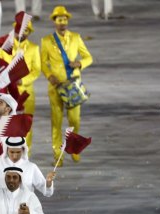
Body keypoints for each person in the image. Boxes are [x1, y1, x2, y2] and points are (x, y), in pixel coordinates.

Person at [40, 6, 93, 166]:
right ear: (54, 21)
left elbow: (88, 57)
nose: (62, 22)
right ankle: (58, 154)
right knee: (56, 121)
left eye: (64, 19)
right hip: (56, 87)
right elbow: (43, 62)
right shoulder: (47, 41)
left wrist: (79, 63)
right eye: (59, 19)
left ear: (67, 21)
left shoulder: (76, 38)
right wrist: (49, 76)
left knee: (74, 120)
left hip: (72, 87)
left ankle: (74, 148)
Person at [0, 12, 41, 151]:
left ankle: (26, 152)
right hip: (7, 93)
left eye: (26, 30)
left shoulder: (34, 48)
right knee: (6, 122)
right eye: (20, 30)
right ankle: (8, 151)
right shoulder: (7, 46)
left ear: (29, 32)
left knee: (26, 123)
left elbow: (37, 70)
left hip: (25, 92)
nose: (22, 33)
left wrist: (23, 81)